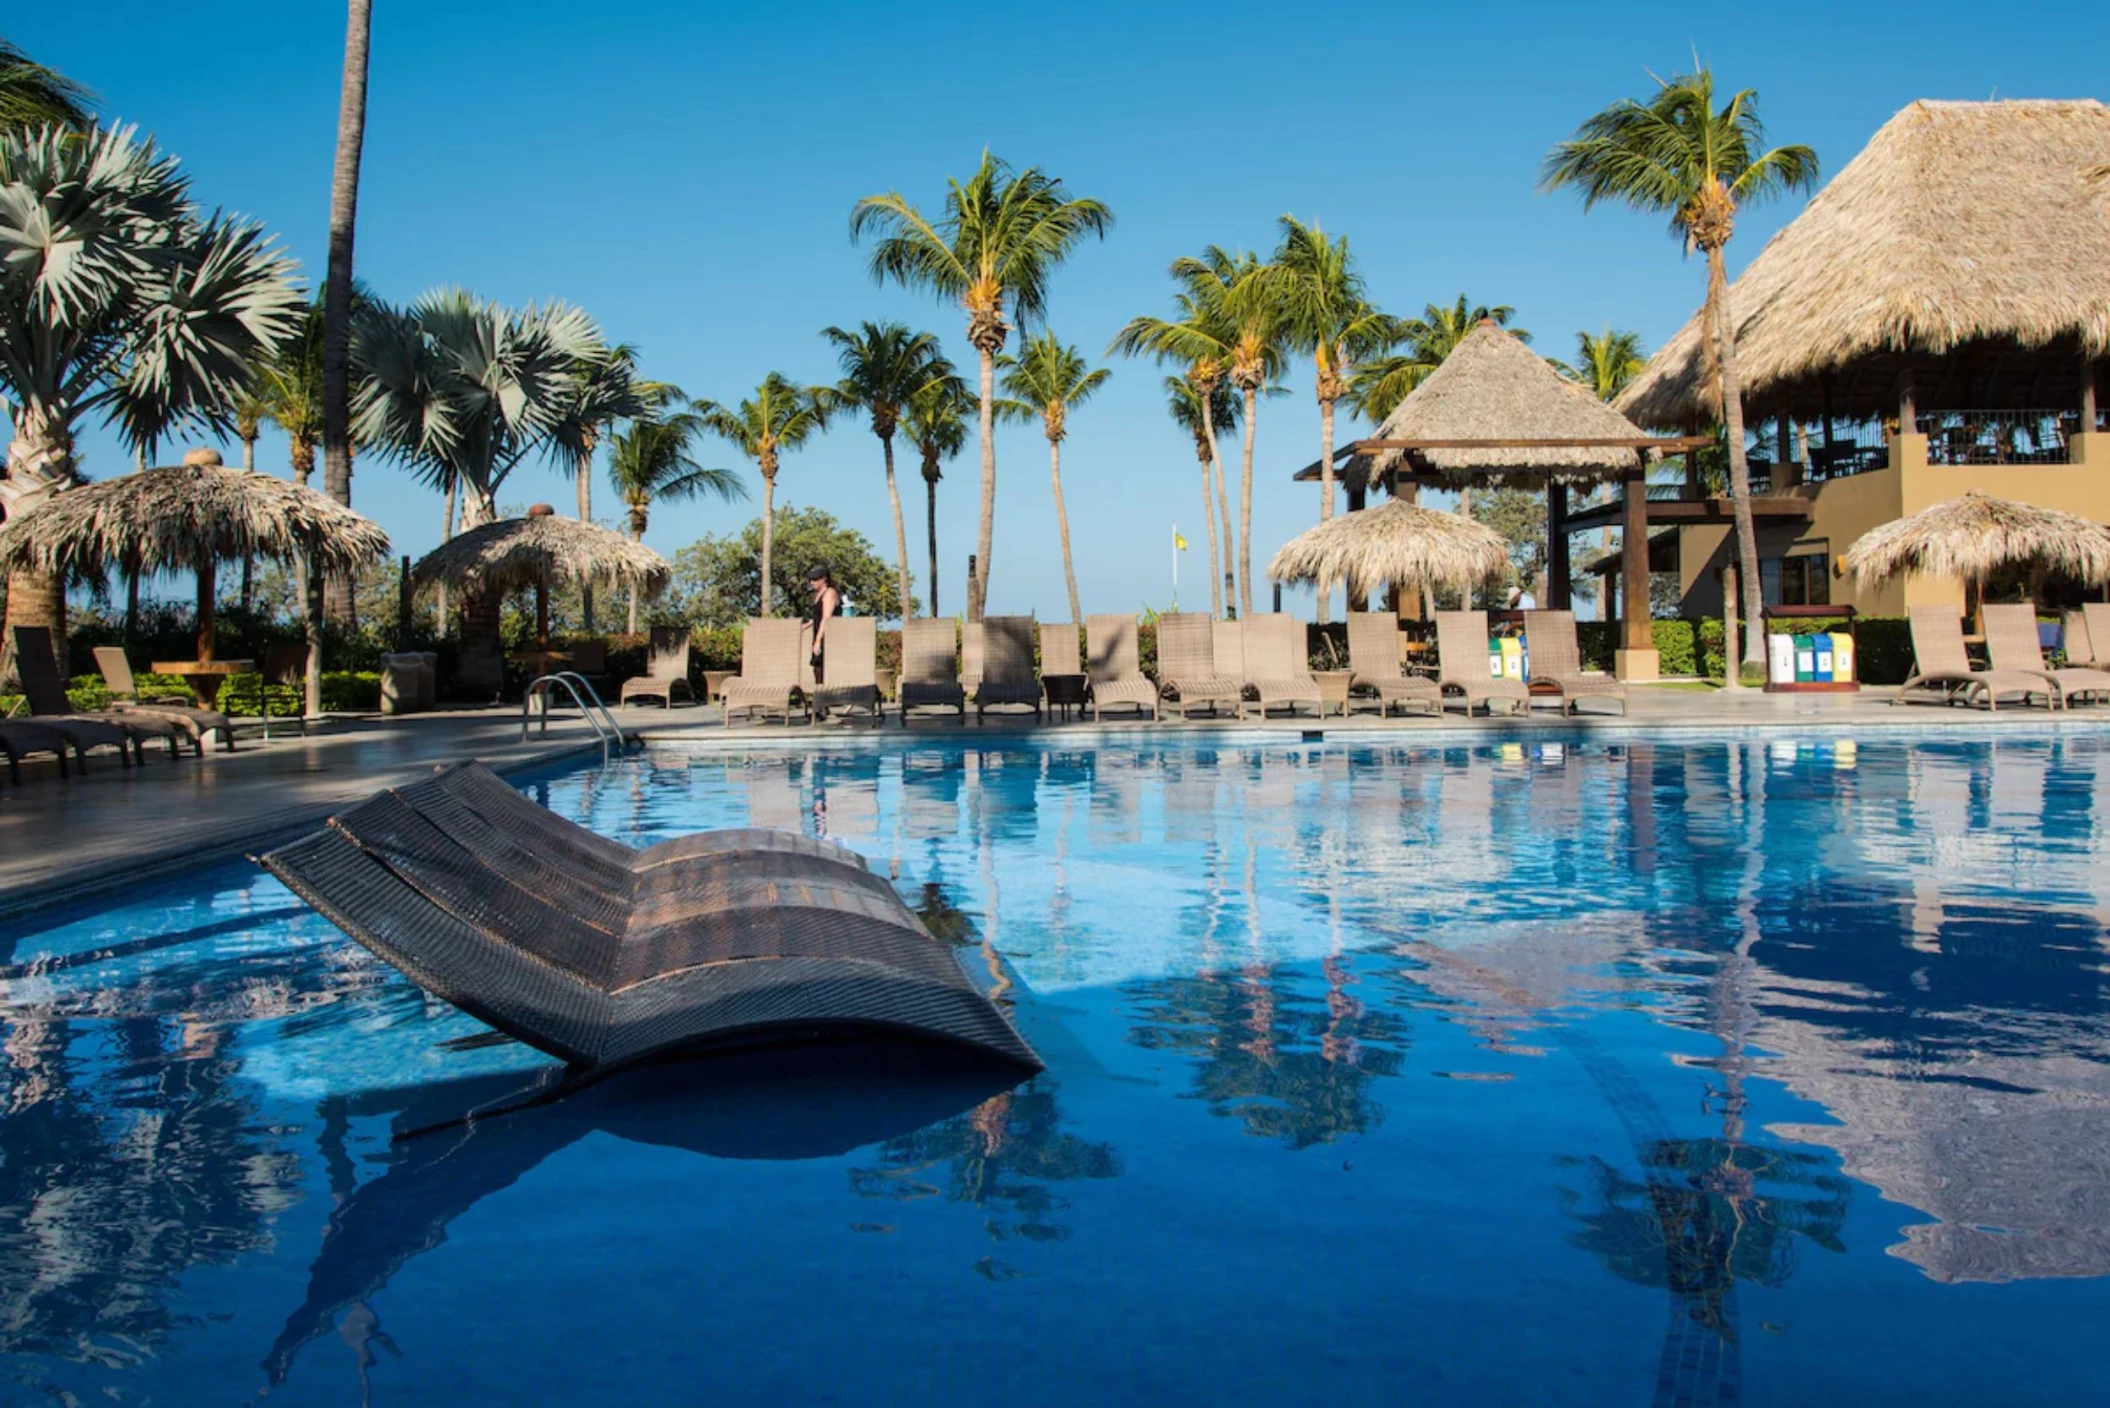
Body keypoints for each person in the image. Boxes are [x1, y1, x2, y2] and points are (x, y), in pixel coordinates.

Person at [805, 564, 840, 683]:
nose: (812, 582)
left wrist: (818, 641)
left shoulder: (829, 593)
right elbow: (817, 617)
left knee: (822, 668)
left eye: (815, 579)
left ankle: (825, 695)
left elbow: (826, 618)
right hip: (818, 633)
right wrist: (807, 625)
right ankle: (820, 693)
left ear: (824, 579)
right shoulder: (818, 595)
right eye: (811, 580)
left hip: (828, 637)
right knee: (817, 668)